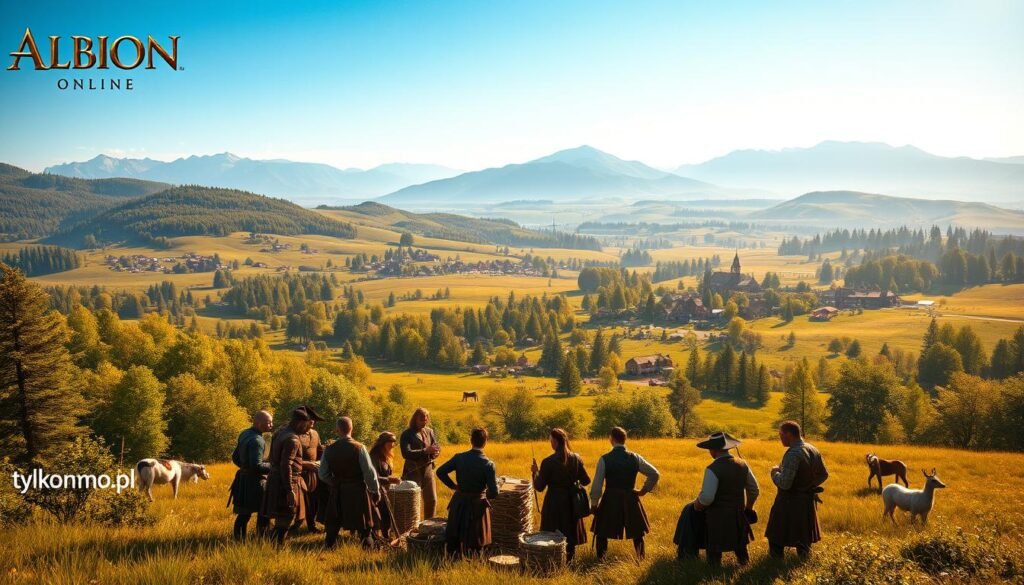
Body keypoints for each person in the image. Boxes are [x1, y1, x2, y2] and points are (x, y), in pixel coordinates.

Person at [673, 432, 759, 566]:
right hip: (738, 515)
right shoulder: (743, 465)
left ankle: (713, 571)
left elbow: (707, 498)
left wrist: (696, 506)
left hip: (716, 518)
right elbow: (754, 490)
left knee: (714, 552)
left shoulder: (713, 469)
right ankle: (744, 567)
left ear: (713, 450)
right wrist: (748, 508)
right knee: (741, 547)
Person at [590, 426, 660, 560]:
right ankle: (641, 559)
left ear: (611, 439)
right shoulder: (635, 457)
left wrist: (594, 504)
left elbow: (597, 485)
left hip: (610, 498)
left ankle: (600, 561)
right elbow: (654, 473)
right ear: (624, 439)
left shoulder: (604, 459)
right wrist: (643, 490)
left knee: (602, 531)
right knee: (637, 532)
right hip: (630, 497)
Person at [765, 420, 829, 559]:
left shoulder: (793, 453)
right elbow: (824, 474)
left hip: (788, 502)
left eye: (781, 434)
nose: (780, 438)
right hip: (806, 501)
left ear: (788, 434)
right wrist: (809, 487)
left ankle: (775, 565)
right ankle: (803, 564)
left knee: (776, 537)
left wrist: (774, 473)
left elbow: (785, 484)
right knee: (803, 538)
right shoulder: (812, 449)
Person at [319, 416, 380, 549]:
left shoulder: (329, 449)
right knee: (364, 525)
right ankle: (368, 550)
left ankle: (328, 547)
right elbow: (369, 472)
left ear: (337, 430)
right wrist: (375, 490)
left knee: (334, 524)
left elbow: (322, 474)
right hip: (358, 490)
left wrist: (334, 482)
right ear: (352, 429)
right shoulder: (359, 448)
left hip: (338, 490)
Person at [436, 427, 498, 557]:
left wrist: (453, 486)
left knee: (455, 535)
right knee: (476, 539)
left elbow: (440, 471)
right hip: (477, 504)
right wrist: (485, 494)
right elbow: (494, 492)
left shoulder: (459, 458)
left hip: (459, 501)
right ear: (485, 442)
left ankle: (454, 556)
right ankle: (473, 558)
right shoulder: (488, 464)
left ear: (471, 440)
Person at [531, 428, 591, 561]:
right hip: (572, 503)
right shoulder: (576, 458)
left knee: (551, 537)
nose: (550, 443)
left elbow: (539, 487)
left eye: (551, 440)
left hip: (554, 503)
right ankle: (569, 562)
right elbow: (586, 481)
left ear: (556, 441)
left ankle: (553, 563)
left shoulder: (548, 462)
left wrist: (535, 472)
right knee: (570, 536)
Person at [260, 406, 316, 545]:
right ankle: (276, 547)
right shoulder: (293, 439)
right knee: (285, 518)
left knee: (283, 518)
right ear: (300, 423)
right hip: (287, 481)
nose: (308, 429)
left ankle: (271, 545)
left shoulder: (281, 432)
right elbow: (286, 465)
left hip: (276, 479)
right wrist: (289, 489)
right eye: (307, 425)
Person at [228, 410, 273, 541]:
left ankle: (238, 540)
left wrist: (244, 468)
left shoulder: (245, 433)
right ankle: (262, 539)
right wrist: (274, 466)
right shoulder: (257, 440)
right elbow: (257, 466)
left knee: (244, 514)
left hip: (243, 479)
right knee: (263, 512)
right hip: (255, 483)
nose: (271, 425)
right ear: (259, 423)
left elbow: (235, 457)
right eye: (269, 422)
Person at [400, 407, 440, 518]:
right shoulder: (407, 434)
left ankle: (428, 525)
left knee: (432, 500)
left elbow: (436, 446)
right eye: (422, 420)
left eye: (426, 419)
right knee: (412, 502)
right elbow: (406, 453)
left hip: (428, 470)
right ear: (415, 419)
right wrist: (425, 451)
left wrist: (435, 452)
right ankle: (412, 526)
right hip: (412, 471)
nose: (424, 422)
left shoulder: (429, 431)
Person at [294, 409, 325, 533]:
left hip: (313, 474)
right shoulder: (294, 436)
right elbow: (288, 460)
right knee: (298, 502)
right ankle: (293, 526)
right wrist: (305, 464)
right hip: (297, 474)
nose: (312, 422)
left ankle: (311, 526)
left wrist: (326, 452)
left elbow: (319, 450)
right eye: (310, 419)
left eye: (314, 420)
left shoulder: (315, 434)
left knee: (312, 501)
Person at [368, 431, 402, 540]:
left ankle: (385, 537)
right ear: (383, 442)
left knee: (386, 515)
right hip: (375, 492)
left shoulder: (385, 456)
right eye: (391, 441)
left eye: (394, 441)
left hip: (384, 491)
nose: (393, 444)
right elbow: (373, 477)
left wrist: (391, 478)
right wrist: (389, 479)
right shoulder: (374, 457)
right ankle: (376, 539)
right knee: (378, 517)